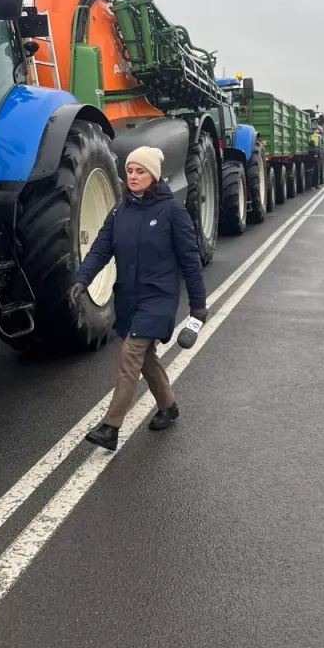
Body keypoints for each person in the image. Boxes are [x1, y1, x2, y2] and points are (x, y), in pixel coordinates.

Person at [70, 146, 207, 450]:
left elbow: (190, 261)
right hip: (129, 299)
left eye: (140, 171)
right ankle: (168, 406)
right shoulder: (120, 211)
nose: (132, 176)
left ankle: (110, 427)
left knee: (130, 354)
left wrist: (199, 308)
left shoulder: (172, 212)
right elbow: (100, 250)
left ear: (153, 175)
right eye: (129, 170)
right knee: (145, 358)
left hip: (158, 299)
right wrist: (83, 279)